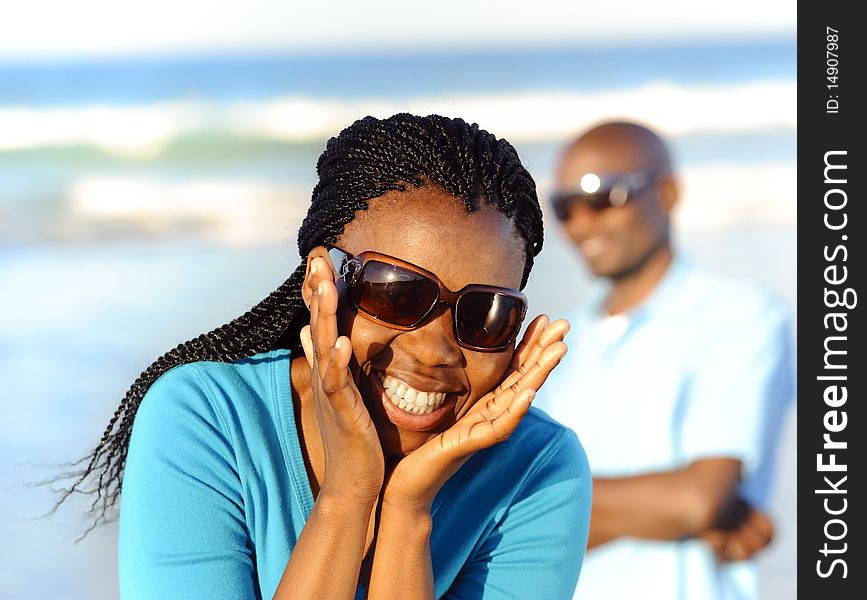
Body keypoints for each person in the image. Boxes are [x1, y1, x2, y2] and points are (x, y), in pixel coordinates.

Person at [59, 114, 592, 599]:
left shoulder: (539, 470)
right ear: (322, 284)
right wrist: (348, 495)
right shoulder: (205, 417)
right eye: (396, 293)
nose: (435, 350)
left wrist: (408, 513)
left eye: (485, 314)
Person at [539, 121, 795, 599]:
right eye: (563, 205)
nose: (581, 222)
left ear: (668, 193)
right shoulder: (553, 345)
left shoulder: (742, 316)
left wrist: (550, 504)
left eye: (602, 196)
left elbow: (697, 500)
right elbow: (505, 510)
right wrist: (670, 510)